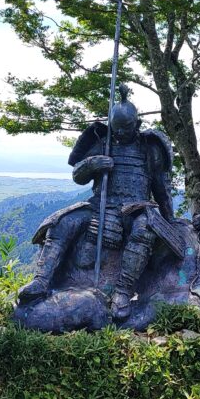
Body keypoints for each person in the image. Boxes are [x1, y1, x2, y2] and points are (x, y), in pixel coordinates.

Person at [17, 85, 182, 321]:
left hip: (136, 208)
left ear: (137, 124)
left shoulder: (149, 149)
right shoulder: (102, 142)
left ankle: (123, 291)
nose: (120, 133)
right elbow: (78, 175)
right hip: (100, 204)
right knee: (62, 222)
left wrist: (169, 218)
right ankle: (41, 281)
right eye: (116, 128)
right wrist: (91, 165)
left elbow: (161, 188)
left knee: (144, 229)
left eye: (126, 128)